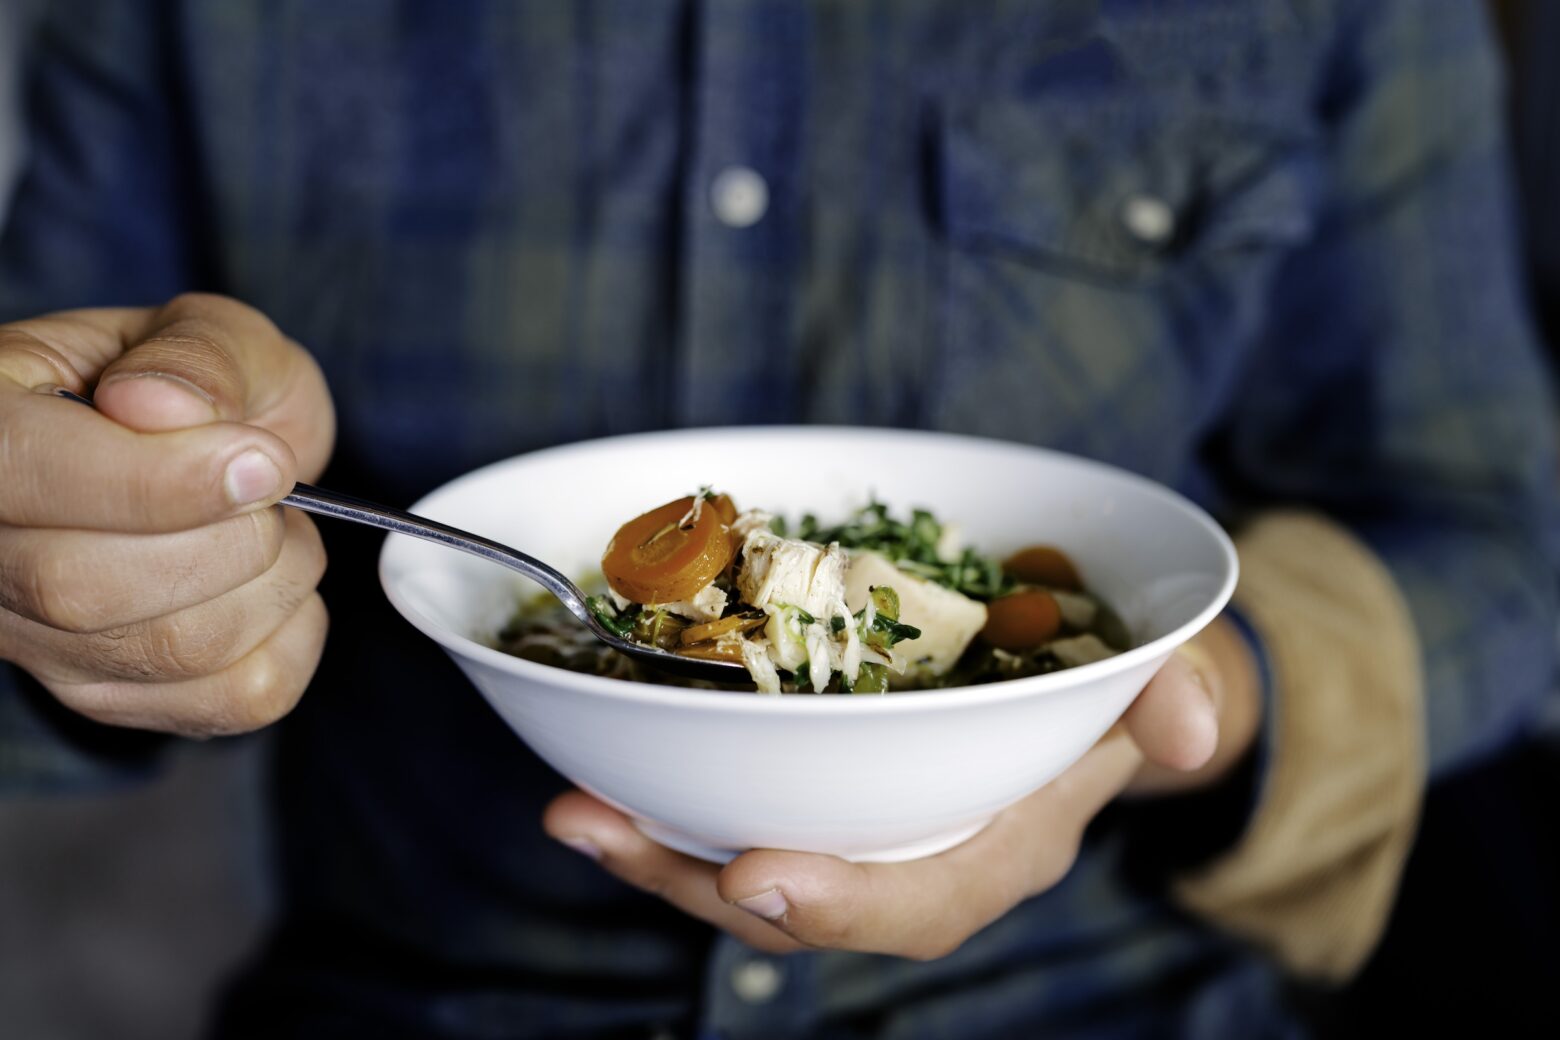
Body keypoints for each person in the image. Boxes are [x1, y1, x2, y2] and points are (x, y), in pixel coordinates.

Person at [0, 2, 1552, 1036]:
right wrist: (92, 558)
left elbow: (1503, 536)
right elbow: (44, 552)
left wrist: (1187, 704)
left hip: (1106, 995)